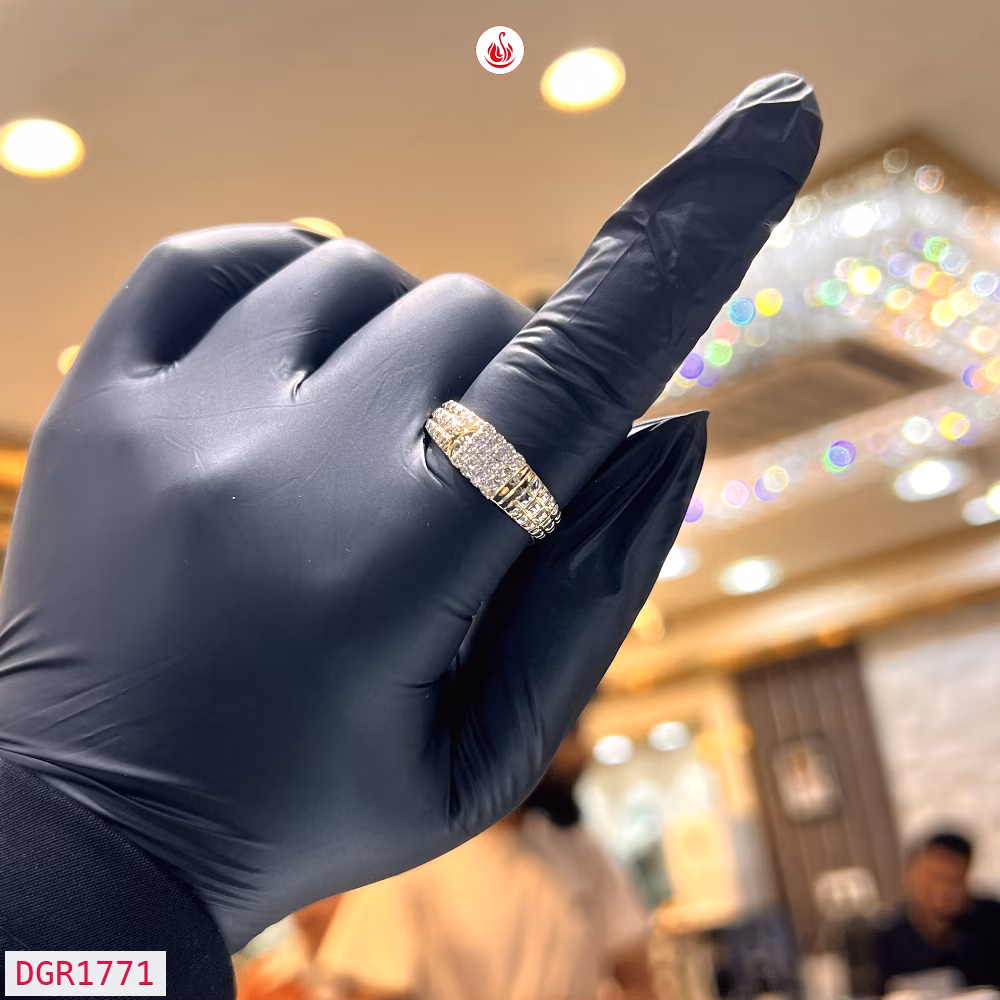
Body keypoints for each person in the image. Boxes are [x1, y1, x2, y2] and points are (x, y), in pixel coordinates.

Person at [0, 74, 821, 998]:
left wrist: (79, 857)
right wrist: (100, 869)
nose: (579, 746)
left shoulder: (571, 854)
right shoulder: (416, 877)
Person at [319, 729, 656, 1000]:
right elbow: (371, 990)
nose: (582, 756)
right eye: (567, 735)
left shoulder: (578, 848)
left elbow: (638, 976)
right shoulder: (414, 858)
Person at [872, 831, 1000, 992]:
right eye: (935, 878)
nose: (944, 890)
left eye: (955, 880)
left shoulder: (990, 920)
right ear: (910, 877)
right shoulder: (887, 936)